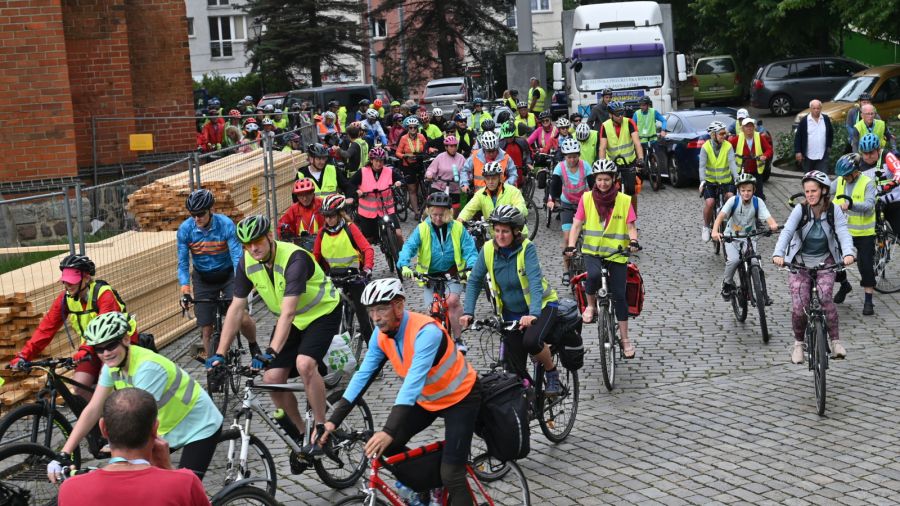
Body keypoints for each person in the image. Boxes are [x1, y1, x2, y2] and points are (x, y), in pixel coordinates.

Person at [320, 278, 479, 506]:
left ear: (399, 306)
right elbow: (363, 376)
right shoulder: (380, 336)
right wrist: (332, 422)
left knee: (452, 474)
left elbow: (411, 384)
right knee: (389, 446)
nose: (375, 317)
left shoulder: (426, 332)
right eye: (371, 310)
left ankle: (444, 480)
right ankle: (429, 486)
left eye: (382, 308)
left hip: (460, 398)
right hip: (428, 399)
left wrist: (388, 429)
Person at [209, 215, 341, 454]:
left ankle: (322, 428)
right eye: (246, 244)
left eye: (257, 241)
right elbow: (236, 309)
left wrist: (270, 352)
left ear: (270, 236)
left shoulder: (294, 258)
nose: (253, 248)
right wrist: (219, 353)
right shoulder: (246, 262)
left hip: (322, 313)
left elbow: (288, 313)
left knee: (305, 364)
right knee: (271, 379)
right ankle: (301, 434)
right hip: (292, 321)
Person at [52, 312, 222, 479]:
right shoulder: (110, 366)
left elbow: (138, 422)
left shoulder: (148, 368)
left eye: (111, 345)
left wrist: (117, 451)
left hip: (199, 427)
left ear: (126, 340)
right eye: (99, 349)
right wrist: (64, 453)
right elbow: (93, 409)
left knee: (183, 489)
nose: (105, 354)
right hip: (167, 430)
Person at [9, 255, 137, 399]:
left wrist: (84, 350)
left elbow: (106, 333)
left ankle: (116, 414)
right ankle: (98, 417)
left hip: (118, 344)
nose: (68, 285)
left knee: (107, 385)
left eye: (72, 281)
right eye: (65, 281)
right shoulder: (65, 299)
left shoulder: (104, 294)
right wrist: (24, 355)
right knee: (79, 386)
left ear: (87, 278)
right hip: (92, 347)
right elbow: (46, 328)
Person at [461, 205, 561, 390]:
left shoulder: (526, 249)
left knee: (531, 342)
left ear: (516, 231)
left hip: (543, 306)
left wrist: (533, 314)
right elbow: (474, 280)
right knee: (511, 367)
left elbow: (534, 282)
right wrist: (468, 312)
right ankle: (525, 397)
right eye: (497, 230)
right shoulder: (489, 249)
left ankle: (551, 371)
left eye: (505, 231)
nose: (499, 235)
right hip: (511, 312)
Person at [55, 388, 210, 505]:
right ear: (155, 429)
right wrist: (168, 468)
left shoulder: (70, 489)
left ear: (103, 428)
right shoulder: (185, 484)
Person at [773, 171, 856, 364]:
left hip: (825, 260)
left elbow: (843, 232)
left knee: (826, 297)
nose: (809, 194)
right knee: (799, 307)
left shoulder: (834, 210)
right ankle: (798, 345)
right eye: (807, 191)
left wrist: (848, 253)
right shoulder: (800, 210)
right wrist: (778, 254)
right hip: (799, 262)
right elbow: (787, 232)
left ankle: (835, 342)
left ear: (824, 191)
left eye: (814, 191)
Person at [566, 159, 639, 357]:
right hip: (593, 252)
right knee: (592, 276)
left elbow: (631, 227)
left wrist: (633, 242)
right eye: (599, 179)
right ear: (595, 180)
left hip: (617, 254)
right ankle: (590, 306)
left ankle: (625, 339)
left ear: (614, 180)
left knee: (619, 295)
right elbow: (577, 224)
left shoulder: (624, 200)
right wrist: (571, 245)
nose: (603, 183)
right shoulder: (586, 198)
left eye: (607, 179)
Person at [178, 189, 258, 358]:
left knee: (241, 316)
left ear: (210, 210)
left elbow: (237, 257)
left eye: (200, 214)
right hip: (203, 278)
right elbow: (183, 263)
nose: (196, 218)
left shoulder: (226, 224)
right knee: (206, 328)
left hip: (228, 274)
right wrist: (185, 290)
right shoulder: (185, 230)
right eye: (193, 214)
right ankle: (212, 369)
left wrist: (242, 283)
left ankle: (253, 344)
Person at [398, 193, 478, 339]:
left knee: (452, 302)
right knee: (432, 310)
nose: (437, 218)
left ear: (449, 213)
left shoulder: (458, 228)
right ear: (428, 212)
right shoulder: (422, 229)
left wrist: (471, 267)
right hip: (429, 277)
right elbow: (409, 247)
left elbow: (470, 250)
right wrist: (404, 265)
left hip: (452, 274)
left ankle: (459, 339)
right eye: (434, 214)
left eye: (442, 215)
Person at [313, 194, 375, 341]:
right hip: (332, 277)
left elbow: (368, 249)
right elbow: (315, 257)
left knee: (364, 317)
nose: (328, 219)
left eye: (332, 216)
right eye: (326, 216)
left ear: (340, 214)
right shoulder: (322, 233)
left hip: (354, 276)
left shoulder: (350, 228)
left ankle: (373, 349)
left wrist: (367, 269)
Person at [711, 174, 779, 300]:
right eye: (743, 190)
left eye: (749, 190)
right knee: (734, 260)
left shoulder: (758, 202)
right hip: (731, 237)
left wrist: (773, 225)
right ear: (739, 191)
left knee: (755, 262)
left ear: (754, 190)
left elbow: (768, 217)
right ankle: (727, 284)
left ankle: (762, 293)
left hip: (749, 237)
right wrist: (715, 231)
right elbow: (720, 216)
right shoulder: (733, 201)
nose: (746, 193)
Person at [830, 153, 877, 315]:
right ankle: (844, 285)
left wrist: (851, 204)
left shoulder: (867, 183)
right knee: (835, 261)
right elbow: (827, 188)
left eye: (846, 175)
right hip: (844, 231)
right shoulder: (841, 180)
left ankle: (868, 300)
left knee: (865, 265)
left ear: (856, 171)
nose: (844, 178)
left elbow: (869, 205)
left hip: (864, 232)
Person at [548, 137, 594, 279]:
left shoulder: (585, 166)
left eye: (574, 157)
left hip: (584, 203)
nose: (572, 160)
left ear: (578, 155)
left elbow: (593, 186)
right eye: (569, 157)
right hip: (567, 203)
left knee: (589, 236)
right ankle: (567, 270)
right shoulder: (559, 167)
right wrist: (552, 200)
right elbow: (554, 185)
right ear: (564, 157)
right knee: (568, 239)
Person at [458, 161, 530, 237]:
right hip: (495, 235)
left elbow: (522, 209)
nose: (490, 182)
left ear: (500, 178)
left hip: (515, 234)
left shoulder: (513, 191)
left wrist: (509, 216)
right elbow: (468, 209)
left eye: (494, 178)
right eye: (487, 178)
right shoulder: (480, 194)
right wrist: (460, 219)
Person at [352, 146, 405, 247]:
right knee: (368, 240)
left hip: (387, 209)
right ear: (371, 160)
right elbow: (351, 184)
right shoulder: (362, 172)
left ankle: (402, 257)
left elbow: (401, 179)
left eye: (381, 161)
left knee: (398, 234)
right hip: (368, 213)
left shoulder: (388, 171)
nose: (379, 163)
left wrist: (399, 182)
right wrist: (357, 191)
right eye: (376, 160)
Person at [599, 101, 645, 211]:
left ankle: (633, 218)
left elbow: (637, 143)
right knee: (610, 191)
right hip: (612, 163)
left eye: (622, 113)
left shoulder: (629, 122)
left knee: (631, 191)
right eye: (617, 114)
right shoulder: (605, 126)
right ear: (610, 115)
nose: (620, 116)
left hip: (629, 162)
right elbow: (602, 148)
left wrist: (641, 159)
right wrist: (602, 164)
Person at [699, 121, 739, 242]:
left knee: (731, 197)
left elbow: (732, 163)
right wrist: (702, 181)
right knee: (710, 203)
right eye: (721, 133)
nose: (724, 136)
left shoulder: (728, 146)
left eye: (725, 133)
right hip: (710, 181)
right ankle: (706, 227)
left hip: (726, 181)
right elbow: (702, 166)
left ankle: (731, 224)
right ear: (713, 135)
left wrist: (737, 177)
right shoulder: (705, 147)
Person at [858, 132, 900, 234]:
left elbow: (898, 169)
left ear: (878, 150)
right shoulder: (859, 164)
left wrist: (893, 182)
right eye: (865, 153)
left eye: (871, 153)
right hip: (874, 204)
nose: (868, 156)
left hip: (894, 201)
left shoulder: (887, 156)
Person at [730, 117, 772, 199]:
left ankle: (758, 208)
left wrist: (765, 156)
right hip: (742, 170)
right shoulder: (738, 138)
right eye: (747, 126)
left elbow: (769, 149)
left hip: (756, 169)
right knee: (739, 193)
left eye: (751, 126)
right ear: (742, 128)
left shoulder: (759, 137)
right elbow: (728, 146)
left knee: (759, 195)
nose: (749, 128)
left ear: (754, 127)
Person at [396, 117, 429, 218]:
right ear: (408, 128)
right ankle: (416, 212)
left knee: (423, 186)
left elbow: (427, 147)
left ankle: (425, 207)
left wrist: (430, 150)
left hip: (419, 164)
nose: (413, 129)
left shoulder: (421, 136)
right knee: (412, 189)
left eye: (415, 127)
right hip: (408, 166)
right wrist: (404, 156)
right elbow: (398, 153)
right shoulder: (403, 138)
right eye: (411, 128)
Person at [278, 178, 325, 246]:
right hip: (301, 246)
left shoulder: (322, 204)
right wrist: (285, 234)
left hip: (322, 242)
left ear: (313, 193)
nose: (305, 199)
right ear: (296, 196)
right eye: (301, 195)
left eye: (308, 194)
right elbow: (281, 226)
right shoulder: (293, 209)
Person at [425, 135, 466, 209]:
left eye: (455, 146)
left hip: (454, 188)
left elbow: (466, 172)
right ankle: (424, 218)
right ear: (446, 147)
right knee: (432, 207)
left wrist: (466, 182)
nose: (453, 148)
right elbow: (431, 169)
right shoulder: (440, 157)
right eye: (451, 146)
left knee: (455, 209)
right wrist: (429, 175)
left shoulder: (461, 158)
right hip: (439, 187)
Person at [794, 99, 834, 174]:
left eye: (818, 108)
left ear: (821, 109)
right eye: (814, 108)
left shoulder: (825, 119)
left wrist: (829, 146)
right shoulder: (804, 121)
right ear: (810, 109)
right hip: (808, 156)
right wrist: (798, 151)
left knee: (822, 178)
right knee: (809, 178)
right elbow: (798, 137)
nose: (816, 110)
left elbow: (830, 133)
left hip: (822, 155)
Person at [632, 96, 667, 175]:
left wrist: (663, 130)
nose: (642, 107)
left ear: (648, 105)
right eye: (640, 105)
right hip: (641, 141)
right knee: (640, 162)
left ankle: (658, 178)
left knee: (657, 159)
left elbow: (663, 120)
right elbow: (632, 126)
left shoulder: (653, 112)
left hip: (652, 139)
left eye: (643, 105)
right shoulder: (636, 114)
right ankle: (639, 178)